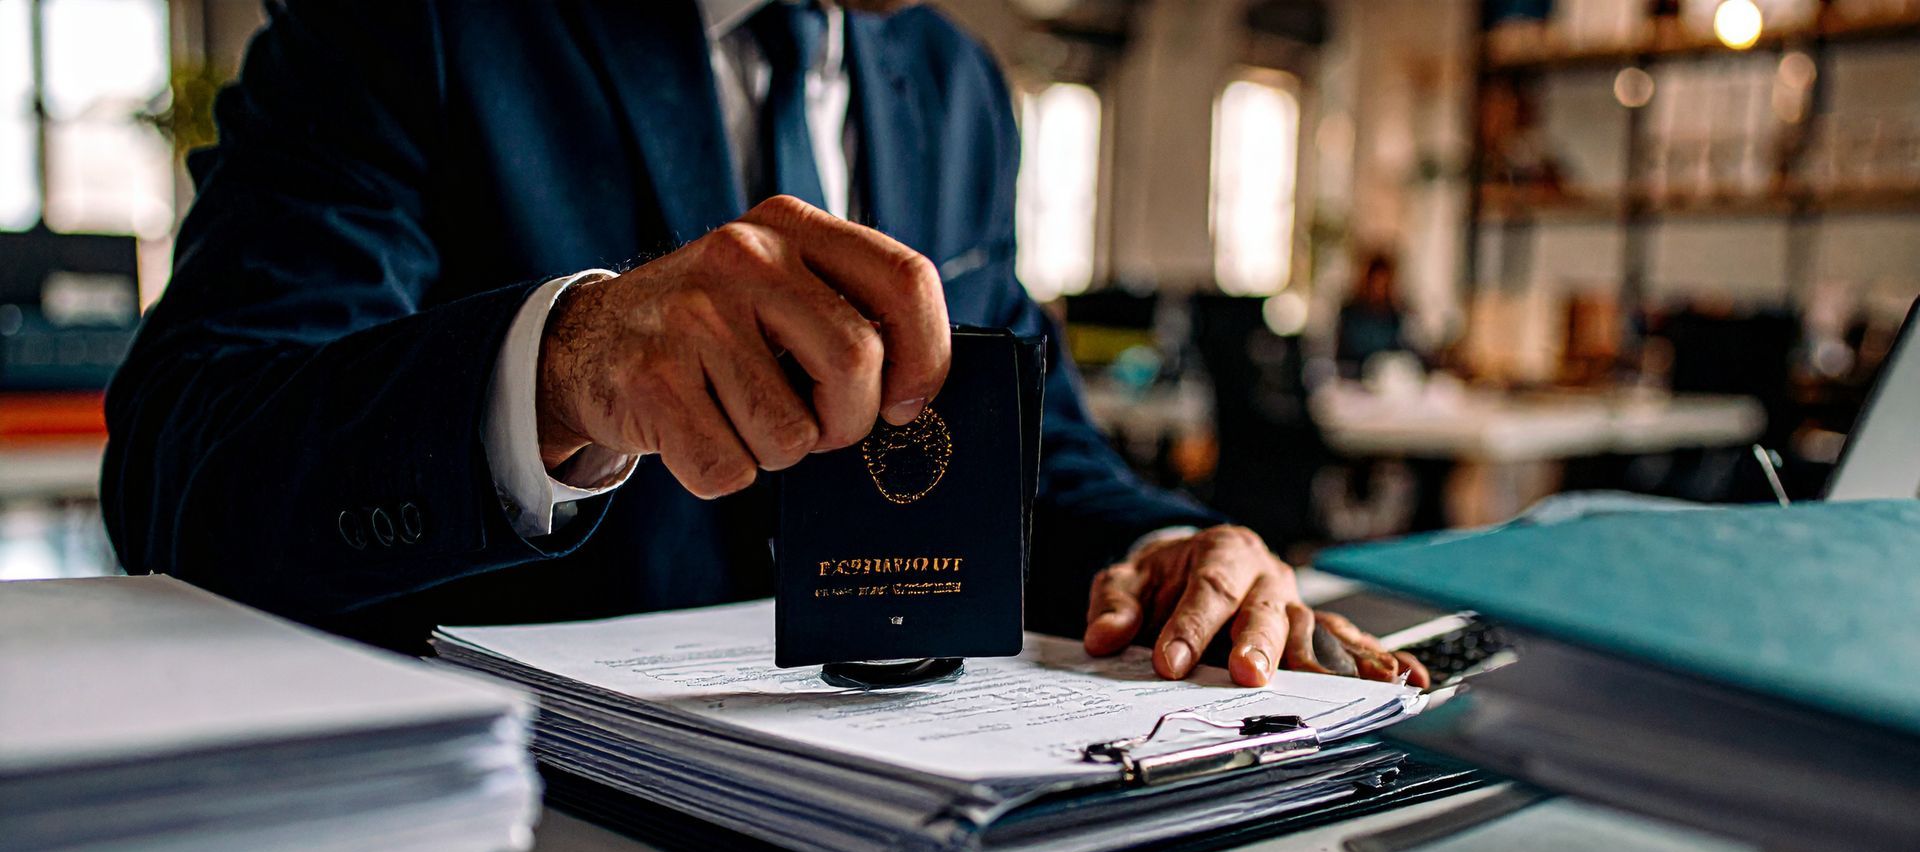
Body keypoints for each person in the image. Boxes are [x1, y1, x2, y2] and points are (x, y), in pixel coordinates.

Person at [104, 0, 1425, 689]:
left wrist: (1164, 554)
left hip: (926, 847)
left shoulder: (955, 86)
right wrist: (565, 365)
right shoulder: (419, 20)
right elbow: (182, 471)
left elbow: (1039, 459)